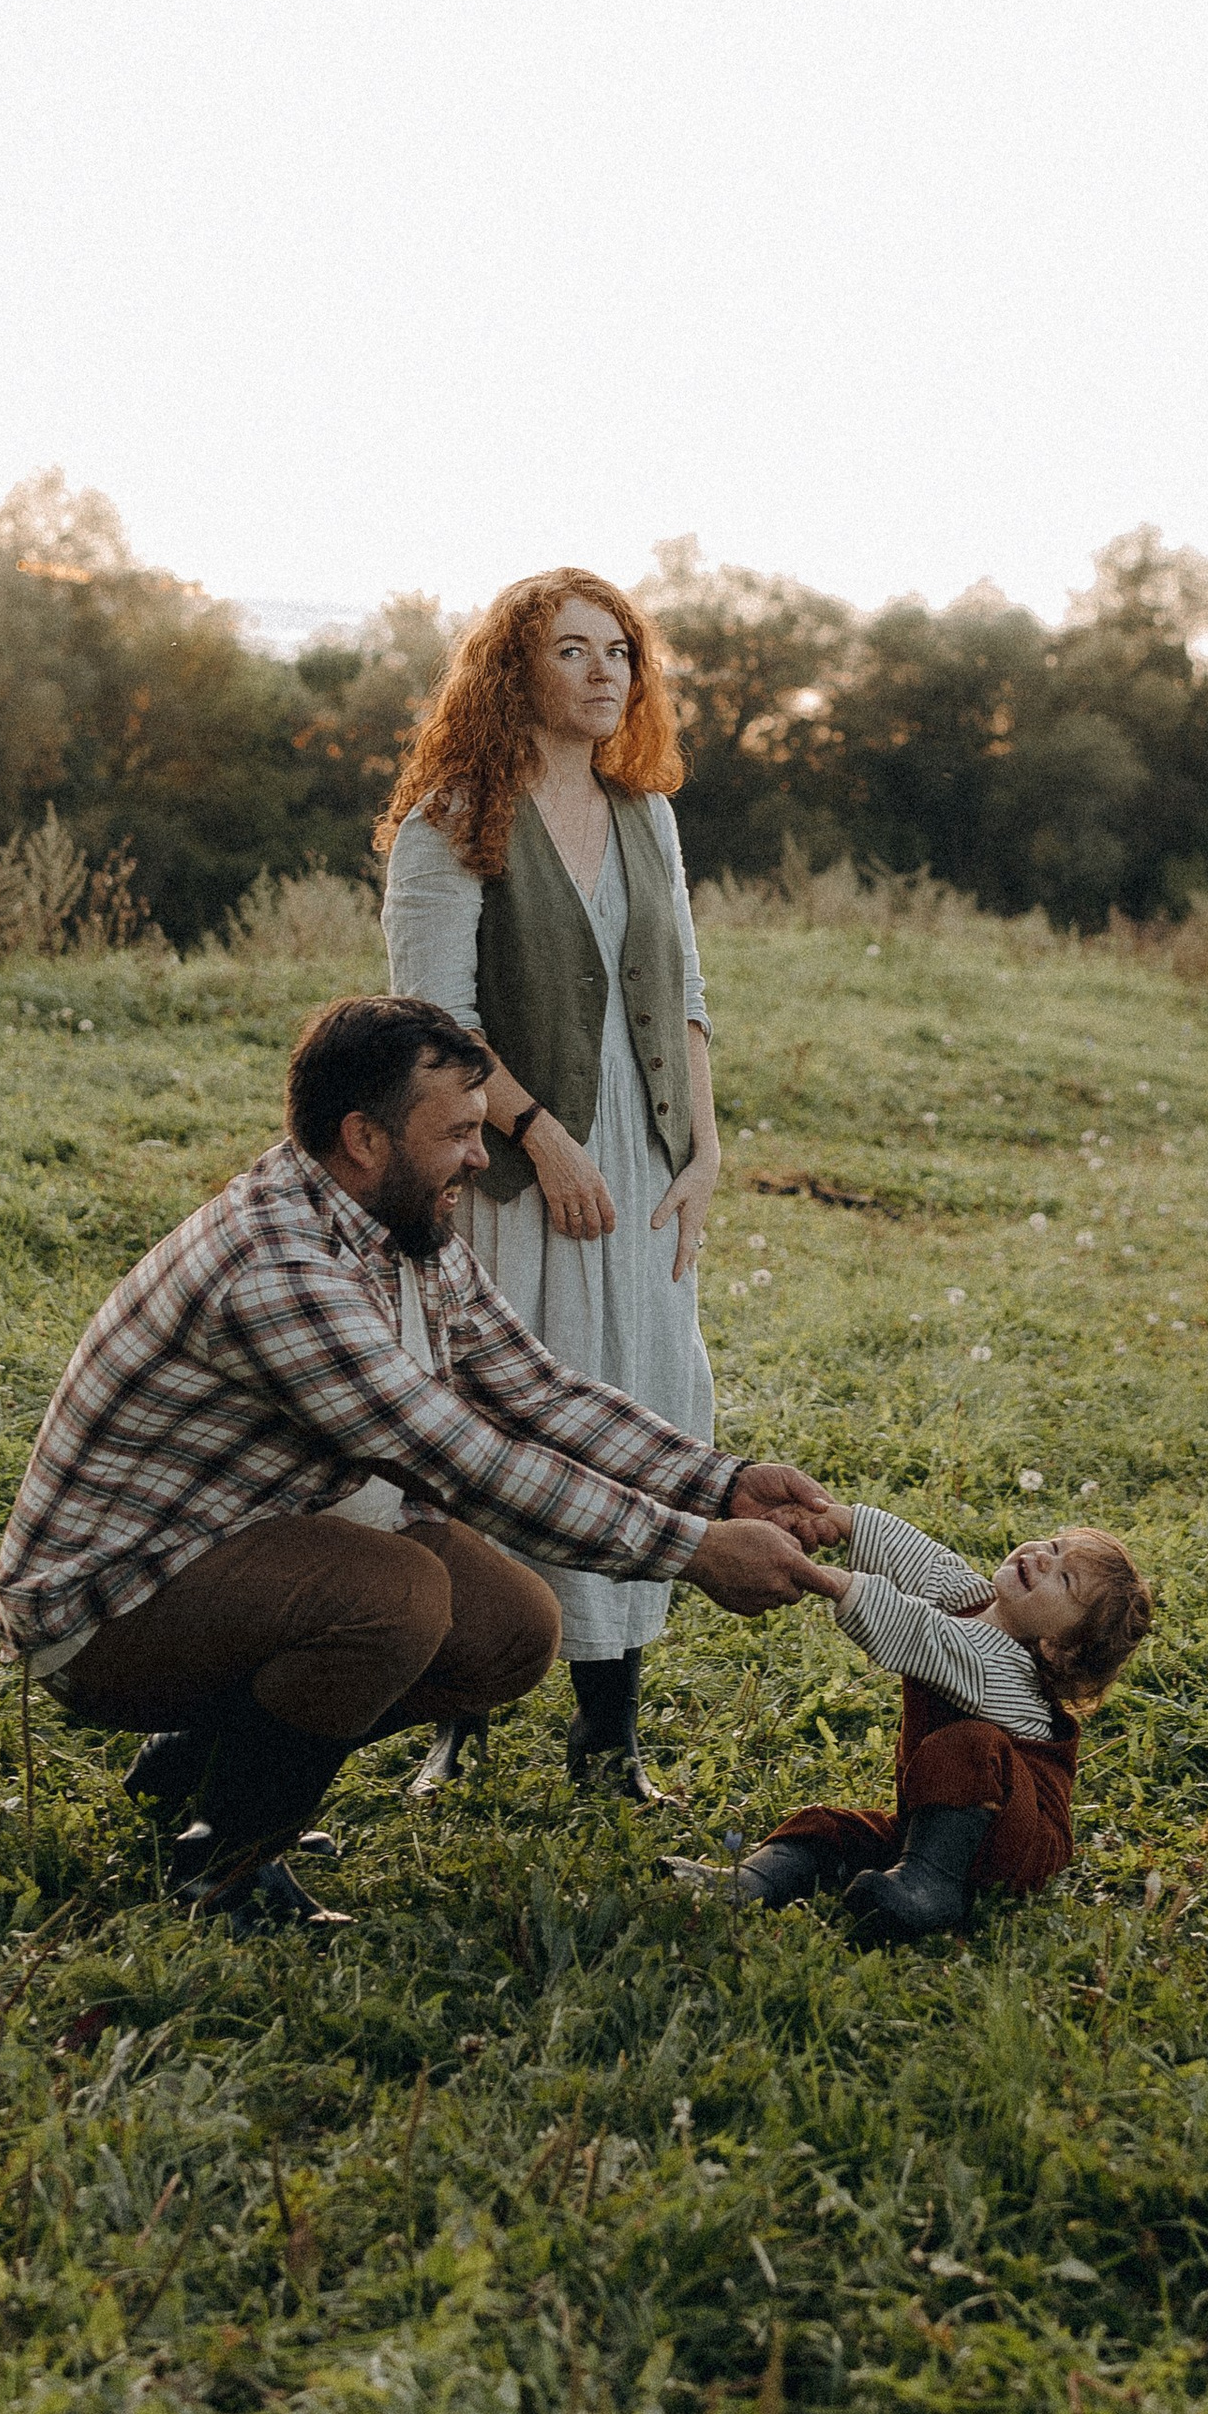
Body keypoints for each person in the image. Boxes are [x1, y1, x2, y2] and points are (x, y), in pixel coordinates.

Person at [0, 995, 835, 1929]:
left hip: (227, 1553)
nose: (481, 1158)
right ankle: (228, 1867)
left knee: (512, 1628)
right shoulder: (279, 1265)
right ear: (363, 1136)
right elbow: (464, 1461)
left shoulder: (398, 1225)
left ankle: (195, 1767)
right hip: (106, 1606)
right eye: (460, 1134)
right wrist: (695, 1550)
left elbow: (539, 1394)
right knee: (396, 1595)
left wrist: (719, 1482)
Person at [379, 568, 723, 1802]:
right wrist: (541, 1137)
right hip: (501, 1165)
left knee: (640, 1404)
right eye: (571, 651)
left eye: (618, 651)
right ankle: (456, 1715)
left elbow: (681, 990)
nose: (603, 674)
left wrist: (706, 1147)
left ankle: (608, 1737)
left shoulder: (649, 813)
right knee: (496, 1427)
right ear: (513, 671)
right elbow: (434, 1022)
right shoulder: (450, 817)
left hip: (640, 1161)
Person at [678, 1507, 1154, 1939]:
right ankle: (749, 1882)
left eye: (1066, 1580)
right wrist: (838, 1519)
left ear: (1059, 1648)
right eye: (1053, 1546)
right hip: (934, 1821)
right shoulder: (977, 1600)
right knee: (832, 1830)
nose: (1044, 1558)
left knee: (970, 1744)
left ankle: (932, 1889)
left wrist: (824, 1579)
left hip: (1016, 1841)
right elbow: (924, 1562)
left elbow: (924, 1633)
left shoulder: (1006, 1671)